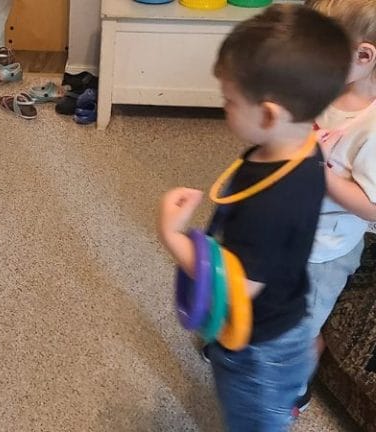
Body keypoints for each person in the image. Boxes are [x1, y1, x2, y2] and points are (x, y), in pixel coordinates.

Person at [157, 4, 352, 430]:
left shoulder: (273, 205)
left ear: (267, 115)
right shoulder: (303, 144)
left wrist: (172, 236)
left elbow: (238, 286)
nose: (222, 105)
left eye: (228, 100)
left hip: (260, 346)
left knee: (256, 421)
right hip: (287, 317)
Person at [294, 0, 376, 415]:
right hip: (288, 223)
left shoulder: (372, 129)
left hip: (326, 247)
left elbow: (371, 206)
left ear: (364, 55)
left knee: (302, 322)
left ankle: (296, 383)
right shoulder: (329, 87)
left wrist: (318, 172)